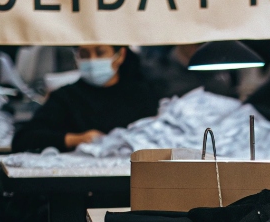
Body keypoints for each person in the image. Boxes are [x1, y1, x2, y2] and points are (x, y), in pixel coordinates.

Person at [11, 45, 159, 152]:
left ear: (120, 55)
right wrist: (76, 139)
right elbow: (23, 139)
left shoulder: (142, 95)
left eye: (100, 53)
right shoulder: (65, 97)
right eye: (84, 54)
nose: (92, 60)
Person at [141, 43, 236, 99]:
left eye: (204, 43)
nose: (201, 48)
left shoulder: (221, 70)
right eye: (197, 44)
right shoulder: (156, 70)